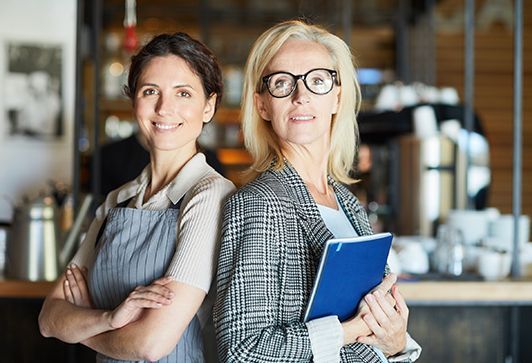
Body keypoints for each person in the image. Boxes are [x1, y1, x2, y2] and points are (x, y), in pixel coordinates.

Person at [214, 20, 421, 363]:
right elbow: (241, 352)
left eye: (318, 80)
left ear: (337, 97)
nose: (301, 95)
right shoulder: (258, 204)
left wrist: (396, 343)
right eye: (282, 82)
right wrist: (347, 332)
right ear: (262, 105)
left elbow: (375, 341)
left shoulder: (349, 205)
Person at [39, 32, 235, 362]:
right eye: (150, 91)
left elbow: (149, 345)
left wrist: (84, 329)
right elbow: (48, 319)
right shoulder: (118, 200)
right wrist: (110, 319)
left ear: (208, 106)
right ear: (134, 103)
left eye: (183, 93)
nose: (164, 108)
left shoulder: (210, 194)